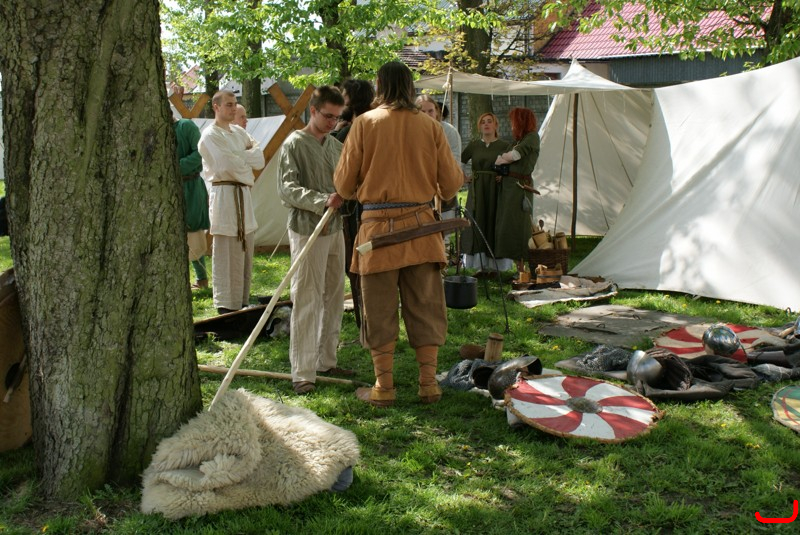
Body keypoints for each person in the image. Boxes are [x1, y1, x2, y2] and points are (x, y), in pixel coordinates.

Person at [334, 61, 463, 407]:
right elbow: (452, 184)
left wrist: (367, 185)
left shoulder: (364, 124)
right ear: (409, 87)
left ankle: (384, 387)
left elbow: (343, 186)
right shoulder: (431, 126)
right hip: (422, 231)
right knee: (426, 307)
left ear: (379, 85)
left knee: (378, 310)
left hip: (376, 234)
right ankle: (428, 385)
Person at [278, 85, 353, 395]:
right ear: (313, 111)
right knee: (307, 297)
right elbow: (287, 189)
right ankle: (303, 371)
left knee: (334, 296)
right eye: (327, 116)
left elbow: (347, 181)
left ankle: (326, 360)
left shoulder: (335, 146)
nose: (332, 122)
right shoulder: (294, 144)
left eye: (337, 117)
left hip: (335, 229)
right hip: (308, 228)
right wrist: (322, 200)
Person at [198, 90, 265, 314]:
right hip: (225, 196)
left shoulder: (239, 132)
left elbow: (259, 159)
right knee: (227, 248)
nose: (233, 108)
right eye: (228, 104)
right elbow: (226, 165)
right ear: (216, 107)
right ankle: (226, 304)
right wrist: (243, 161)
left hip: (243, 195)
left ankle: (242, 300)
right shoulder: (210, 135)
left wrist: (238, 158)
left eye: (235, 104)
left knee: (245, 246)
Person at [336, 79, 375, 328]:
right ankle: (368, 319)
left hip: (358, 205)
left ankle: (367, 321)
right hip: (369, 203)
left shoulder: (356, 129)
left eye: (343, 96)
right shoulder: (372, 124)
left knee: (358, 261)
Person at [460, 113, 513, 273]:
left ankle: (496, 265)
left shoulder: (504, 145)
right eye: (483, 122)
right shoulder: (474, 145)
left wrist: (504, 175)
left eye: (489, 121)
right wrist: (464, 177)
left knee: (494, 220)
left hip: (496, 189)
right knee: (478, 220)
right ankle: (479, 264)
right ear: (479, 127)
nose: (486, 124)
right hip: (477, 189)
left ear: (496, 125)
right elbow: (459, 161)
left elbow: (512, 166)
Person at [494, 107, 541, 272]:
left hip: (520, 188)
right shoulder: (518, 141)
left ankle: (523, 268)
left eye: (514, 121)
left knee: (519, 225)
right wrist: (503, 163)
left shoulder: (532, 137)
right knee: (508, 225)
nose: (511, 124)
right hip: (509, 187)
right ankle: (518, 267)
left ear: (521, 121)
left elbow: (514, 156)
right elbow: (502, 159)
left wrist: (503, 159)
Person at [416, 95, 463, 252]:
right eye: (422, 111)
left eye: (430, 111)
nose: (427, 115)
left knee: (443, 233)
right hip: (418, 188)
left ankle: (444, 255)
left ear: (437, 111)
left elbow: (454, 161)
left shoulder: (448, 131)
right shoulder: (411, 131)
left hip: (441, 186)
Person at [173, 117, 210, 290]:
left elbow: (200, 153)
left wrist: (175, 166)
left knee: (193, 228)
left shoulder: (185, 126)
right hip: (170, 186)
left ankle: (201, 278)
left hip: (191, 186)